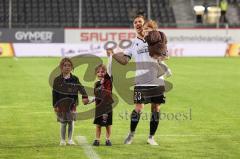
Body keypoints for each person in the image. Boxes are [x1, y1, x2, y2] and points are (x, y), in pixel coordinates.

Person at [107, 15, 170, 145]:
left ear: (144, 24)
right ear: (134, 26)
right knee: (138, 108)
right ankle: (131, 134)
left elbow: (165, 55)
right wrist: (113, 54)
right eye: (135, 22)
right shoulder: (133, 43)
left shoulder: (156, 38)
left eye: (140, 21)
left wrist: (163, 56)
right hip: (141, 81)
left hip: (157, 80)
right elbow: (125, 61)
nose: (137, 24)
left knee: (156, 108)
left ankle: (151, 137)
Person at [52, 57, 89, 146]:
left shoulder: (75, 79)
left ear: (72, 67)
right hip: (61, 105)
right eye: (65, 65)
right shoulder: (57, 80)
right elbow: (54, 93)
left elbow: (81, 88)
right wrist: (55, 105)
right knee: (63, 122)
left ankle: (70, 139)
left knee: (71, 122)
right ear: (61, 67)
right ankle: (62, 140)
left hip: (72, 104)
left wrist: (85, 96)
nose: (67, 67)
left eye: (69, 65)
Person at [91, 54, 114, 146]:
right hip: (99, 107)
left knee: (108, 124)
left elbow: (110, 68)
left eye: (103, 71)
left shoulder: (108, 80)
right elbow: (96, 95)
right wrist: (90, 101)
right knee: (98, 124)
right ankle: (97, 139)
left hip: (107, 106)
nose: (100, 73)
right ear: (96, 74)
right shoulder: (96, 84)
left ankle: (108, 139)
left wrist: (110, 57)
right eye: (98, 72)